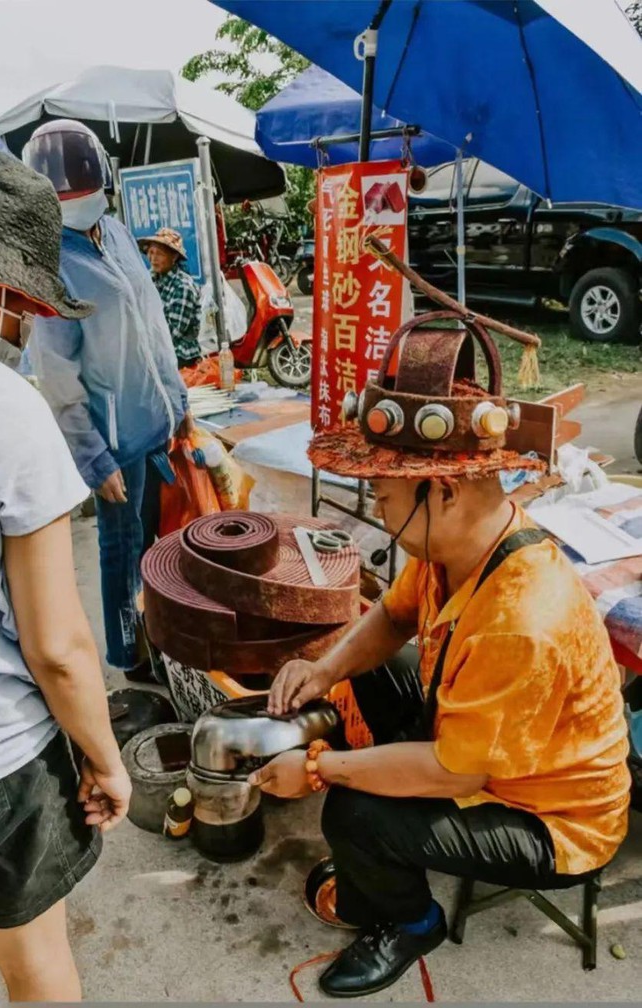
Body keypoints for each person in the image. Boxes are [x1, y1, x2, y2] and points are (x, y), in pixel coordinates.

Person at [249, 316, 630, 999]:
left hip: (554, 819)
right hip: (483, 753)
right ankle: (387, 820)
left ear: (443, 492)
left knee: (349, 811)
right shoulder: (456, 547)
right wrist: (325, 668)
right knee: (368, 673)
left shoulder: (523, 618)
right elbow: (394, 615)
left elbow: (456, 772)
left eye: (383, 495)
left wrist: (315, 767)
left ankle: (410, 919)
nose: (375, 506)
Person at [0, 147, 131, 1001]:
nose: (18, 324)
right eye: (17, 303)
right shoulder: (5, 411)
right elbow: (60, 645)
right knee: (36, 965)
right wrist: (105, 762)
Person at [23, 120, 195, 683]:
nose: (78, 206)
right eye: (63, 200)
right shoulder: (51, 265)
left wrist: (177, 399)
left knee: (156, 544)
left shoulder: (117, 234)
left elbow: (152, 325)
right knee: (121, 550)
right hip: (113, 440)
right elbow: (57, 376)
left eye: (84, 194)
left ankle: (159, 632)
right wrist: (94, 460)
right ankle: (130, 657)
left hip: (153, 422)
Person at [138, 227, 202, 369]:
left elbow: (172, 334)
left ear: (174, 257)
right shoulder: (151, 278)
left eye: (159, 254)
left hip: (179, 356)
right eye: (151, 252)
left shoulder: (183, 287)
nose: (153, 259)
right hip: (155, 350)